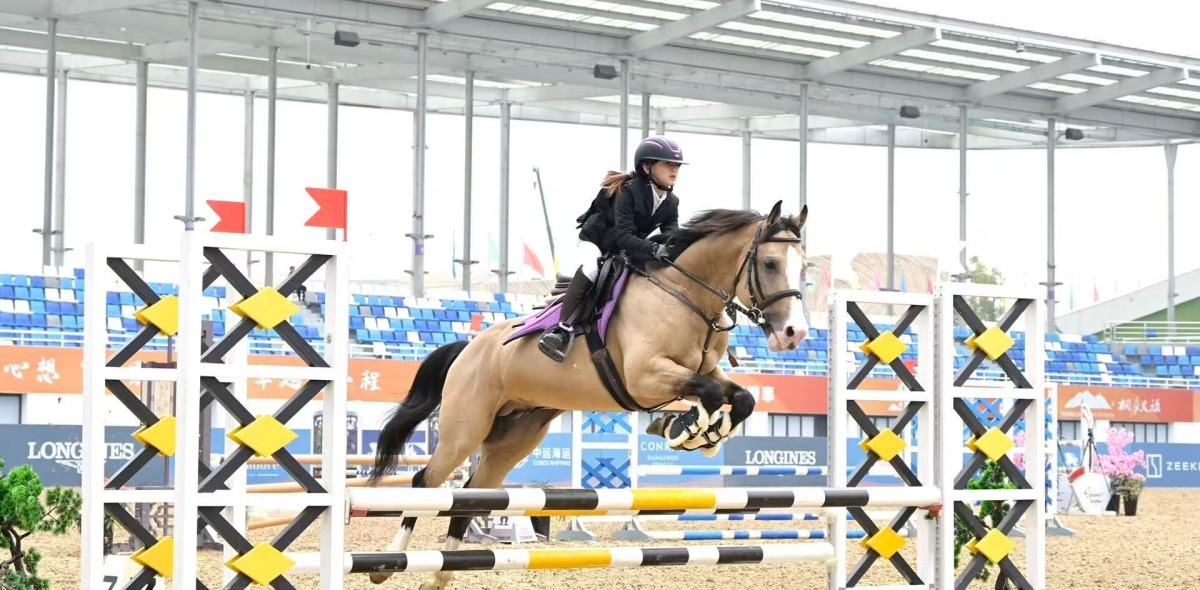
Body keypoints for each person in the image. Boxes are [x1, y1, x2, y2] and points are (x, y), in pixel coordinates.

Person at [538, 135, 685, 362]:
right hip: (596, 243)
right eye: (667, 165)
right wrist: (654, 249)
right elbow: (624, 236)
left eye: (676, 166)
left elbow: (671, 234)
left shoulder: (671, 201)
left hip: (624, 250)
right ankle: (562, 329)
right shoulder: (629, 191)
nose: (674, 171)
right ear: (647, 167)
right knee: (591, 270)